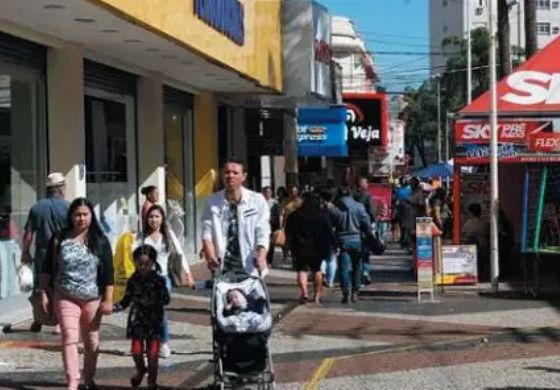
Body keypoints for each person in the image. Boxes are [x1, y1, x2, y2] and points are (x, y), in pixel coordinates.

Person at [39, 198, 114, 390]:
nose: (81, 218)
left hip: (92, 298)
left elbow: (108, 272)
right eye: (77, 214)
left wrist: (108, 299)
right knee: (69, 337)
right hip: (65, 295)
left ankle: (89, 378)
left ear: (91, 216)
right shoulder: (59, 238)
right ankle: (72, 380)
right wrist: (43, 293)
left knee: (91, 340)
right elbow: (47, 267)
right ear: (71, 216)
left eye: (85, 214)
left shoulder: (100, 240)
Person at [136, 204, 193, 358]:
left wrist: (188, 273)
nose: (153, 220)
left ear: (162, 219)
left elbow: (179, 252)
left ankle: (163, 343)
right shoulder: (141, 237)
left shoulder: (168, 235)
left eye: (157, 216)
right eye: (151, 217)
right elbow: (133, 254)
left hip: (163, 279)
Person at [113, 244, 170, 390]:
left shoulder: (159, 280)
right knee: (136, 350)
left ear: (153, 263)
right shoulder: (133, 280)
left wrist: (155, 299)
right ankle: (140, 369)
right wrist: (117, 307)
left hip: (155, 320)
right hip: (138, 319)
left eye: (147, 263)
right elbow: (127, 299)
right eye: (140, 263)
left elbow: (166, 299)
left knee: (153, 353)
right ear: (135, 263)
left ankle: (152, 382)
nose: (143, 266)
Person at [201, 158, 270, 275]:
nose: (230, 176)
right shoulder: (211, 202)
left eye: (235, 173)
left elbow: (262, 231)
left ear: (243, 176)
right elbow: (207, 232)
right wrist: (210, 255)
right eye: (227, 172)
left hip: (250, 266)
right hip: (223, 267)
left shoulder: (257, 200)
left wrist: (261, 256)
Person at [22, 172, 69, 333]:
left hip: (42, 254)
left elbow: (28, 234)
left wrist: (25, 252)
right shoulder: (68, 207)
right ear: (61, 188)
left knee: (40, 287)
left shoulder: (37, 207)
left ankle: (38, 319)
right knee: (60, 286)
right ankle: (58, 322)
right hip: (62, 254)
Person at [285, 192, 335, 304]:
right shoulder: (322, 215)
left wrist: (288, 245)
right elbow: (329, 231)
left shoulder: (296, 214)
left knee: (301, 270)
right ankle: (317, 296)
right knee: (316, 270)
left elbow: (288, 230)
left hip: (300, 246)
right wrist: (333, 245)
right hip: (318, 247)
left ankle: (304, 293)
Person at [327, 187, 371, 304]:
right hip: (357, 239)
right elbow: (366, 223)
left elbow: (330, 226)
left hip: (342, 241)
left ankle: (346, 293)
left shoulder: (335, 209)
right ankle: (355, 292)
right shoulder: (359, 207)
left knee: (343, 269)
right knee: (357, 267)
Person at [353, 177, 376, 285]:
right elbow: (371, 211)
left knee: (357, 251)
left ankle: (359, 272)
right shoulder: (367, 195)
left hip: (353, 226)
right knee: (365, 251)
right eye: (366, 183)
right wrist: (373, 223)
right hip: (365, 227)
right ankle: (365, 272)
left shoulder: (353, 195)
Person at [463, 203, 490, 280]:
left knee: (473, 263)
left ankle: (474, 276)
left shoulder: (468, 223)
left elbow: (464, 233)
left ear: (471, 213)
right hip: (483, 245)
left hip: (471, 247)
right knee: (482, 262)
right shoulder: (485, 223)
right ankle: (481, 275)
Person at [281, 185, 303, 262]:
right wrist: (281, 225)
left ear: (297, 192)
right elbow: (282, 213)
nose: (292, 193)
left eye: (294, 191)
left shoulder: (300, 202)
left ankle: (294, 259)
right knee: (285, 241)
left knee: (296, 243)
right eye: (291, 191)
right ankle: (285, 255)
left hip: (297, 225)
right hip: (287, 224)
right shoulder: (285, 201)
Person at [262, 186, 280, 264]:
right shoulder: (260, 201)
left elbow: (277, 215)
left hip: (271, 225)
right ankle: (263, 258)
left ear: (271, 193)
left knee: (271, 244)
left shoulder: (274, 203)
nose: (267, 194)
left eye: (269, 192)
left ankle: (269, 260)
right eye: (266, 192)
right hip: (262, 225)